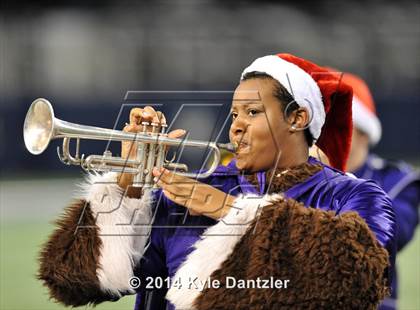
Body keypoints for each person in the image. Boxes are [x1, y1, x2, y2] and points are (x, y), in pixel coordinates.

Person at [38, 54, 396, 310]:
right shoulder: (192, 192)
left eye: (253, 112)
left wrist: (231, 210)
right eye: (234, 114)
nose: (236, 126)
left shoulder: (353, 194)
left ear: (297, 118)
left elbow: (359, 276)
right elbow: (73, 279)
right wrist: (128, 184)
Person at [342, 73, 420, 310]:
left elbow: (392, 233)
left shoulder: (395, 180)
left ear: (363, 131)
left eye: (336, 120)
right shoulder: (291, 176)